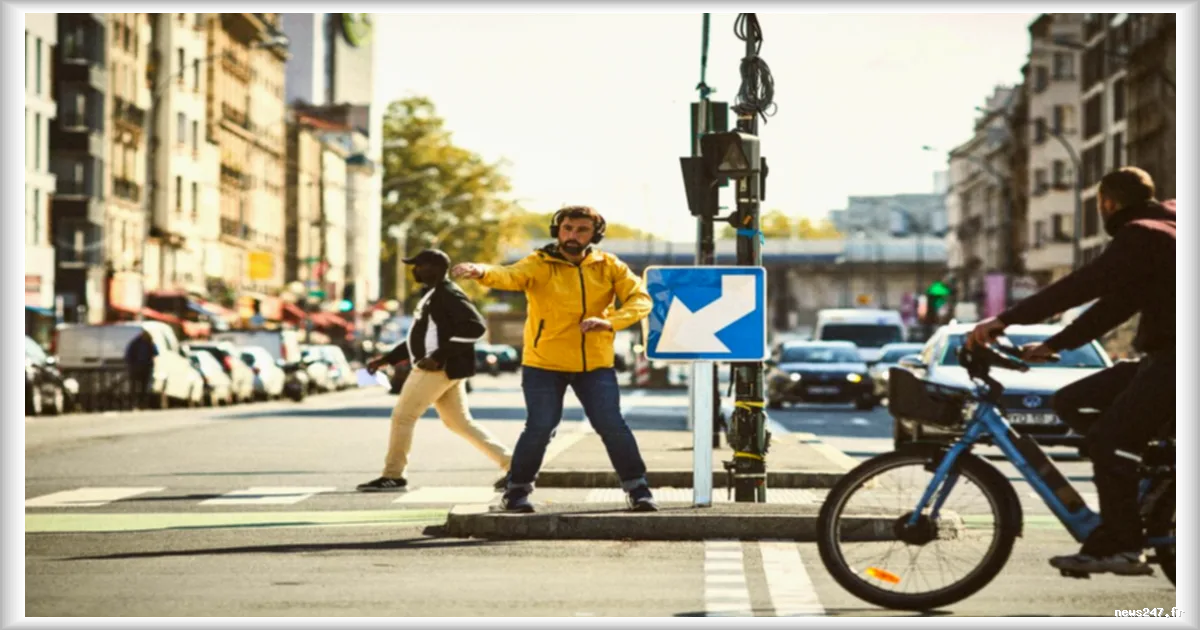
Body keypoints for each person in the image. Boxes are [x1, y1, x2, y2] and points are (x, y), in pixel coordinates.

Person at [967, 167, 1175, 576]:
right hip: (1162, 358)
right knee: (1072, 400)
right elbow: (1116, 304)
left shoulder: (1142, 235)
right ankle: (1151, 478)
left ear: (1107, 204)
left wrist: (1004, 320)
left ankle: (1122, 543)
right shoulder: (1165, 229)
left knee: (1109, 441)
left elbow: (1083, 285)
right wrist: (1054, 344)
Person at [451, 205, 659, 513]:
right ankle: (517, 491)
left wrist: (611, 321)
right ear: (557, 230)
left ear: (595, 234)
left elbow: (640, 298)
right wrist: (481, 271)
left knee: (612, 425)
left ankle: (638, 490)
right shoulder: (540, 263)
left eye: (582, 230)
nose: (573, 235)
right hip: (544, 363)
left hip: (595, 364)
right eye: (567, 229)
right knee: (540, 426)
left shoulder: (608, 265)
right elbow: (509, 276)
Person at [356, 249, 513, 492]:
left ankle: (393, 476)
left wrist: (438, 356)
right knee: (459, 423)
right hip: (443, 369)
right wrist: (386, 359)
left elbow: (476, 328)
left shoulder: (447, 294)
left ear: (436, 268)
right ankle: (516, 467)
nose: (414, 270)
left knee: (402, 417)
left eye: (419, 265)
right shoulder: (432, 295)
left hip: (435, 370)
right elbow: (417, 338)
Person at [124, 329, 158, 410]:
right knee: (142, 387)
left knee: (135, 387)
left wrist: (131, 364)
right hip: (144, 367)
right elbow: (156, 352)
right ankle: (140, 404)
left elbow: (128, 355)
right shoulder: (148, 342)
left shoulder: (135, 343)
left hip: (137, 368)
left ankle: (135, 404)